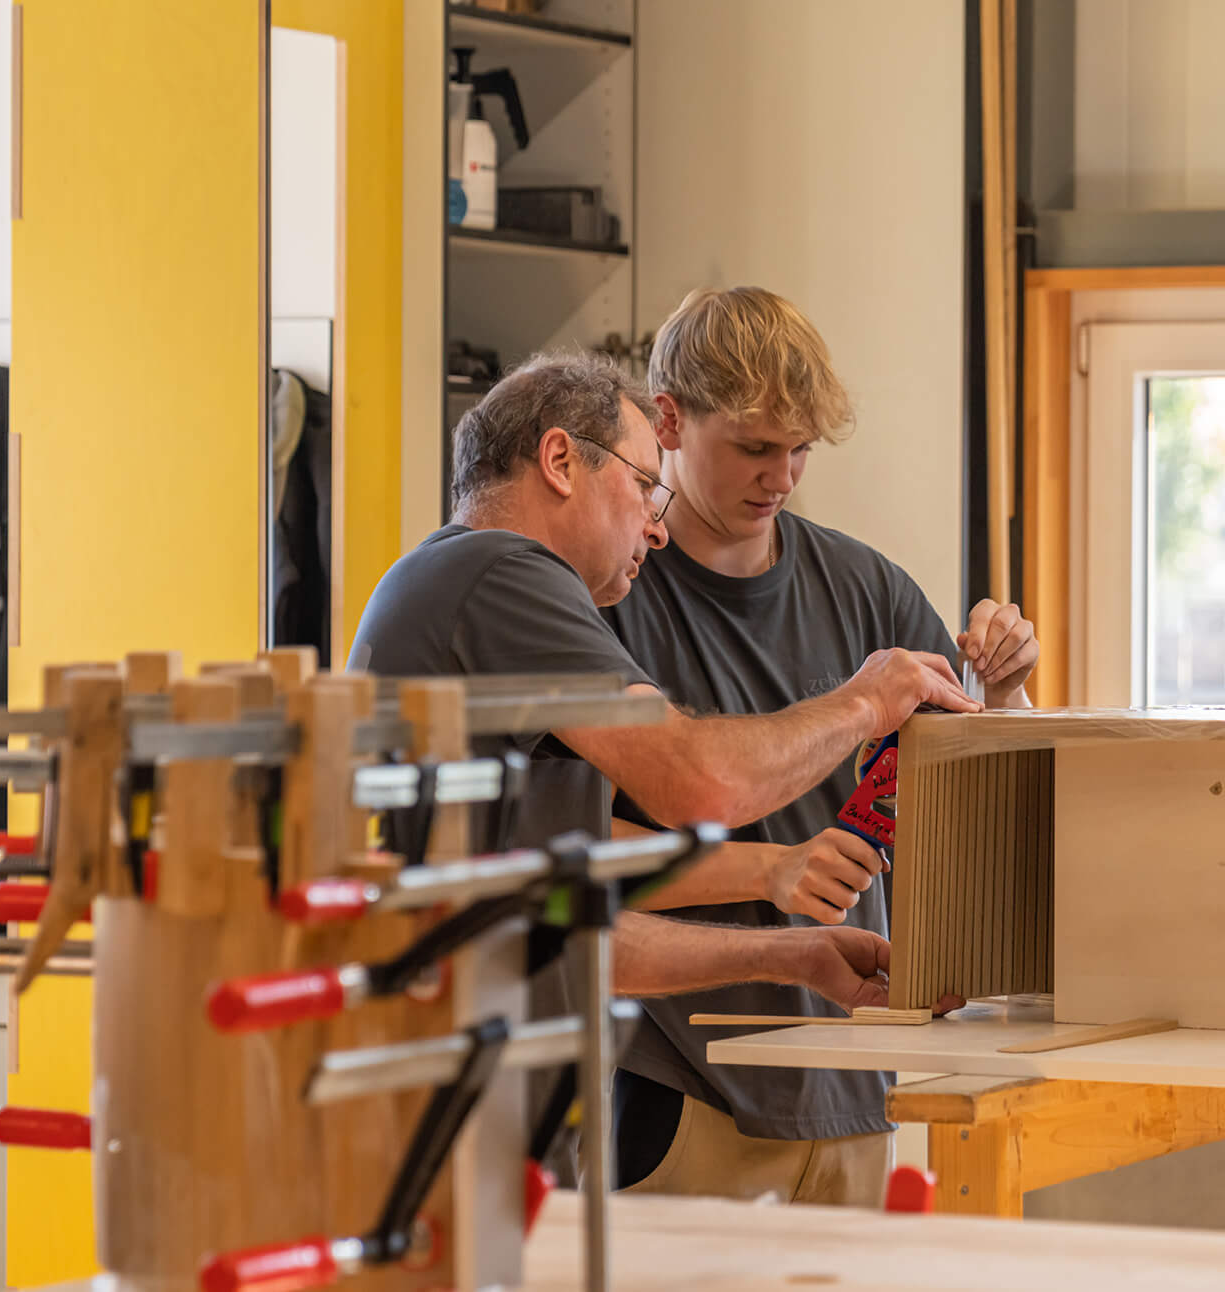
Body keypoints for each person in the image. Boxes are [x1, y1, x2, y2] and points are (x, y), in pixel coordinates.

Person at [346, 350, 980, 1008]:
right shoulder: (500, 571)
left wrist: (794, 951)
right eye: (645, 485)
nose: (656, 528)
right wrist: (867, 701)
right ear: (561, 462)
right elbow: (698, 782)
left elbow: (566, 918)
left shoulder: (452, 585)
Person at [598, 287, 1041, 1207]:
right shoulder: (610, 599)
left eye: (800, 449)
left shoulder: (866, 588)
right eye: (755, 447)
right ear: (669, 420)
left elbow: (986, 814)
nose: (783, 476)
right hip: (680, 1089)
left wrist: (1008, 692)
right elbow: (567, 861)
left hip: (853, 1085)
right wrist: (770, 863)